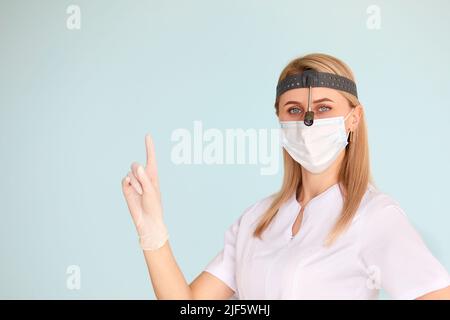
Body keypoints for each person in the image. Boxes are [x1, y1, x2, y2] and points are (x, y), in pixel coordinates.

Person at [121, 53, 450, 299]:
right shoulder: (257, 221)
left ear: (353, 118)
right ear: (279, 118)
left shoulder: (374, 217)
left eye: (323, 108)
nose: (307, 122)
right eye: (293, 110)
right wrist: (153, 233)